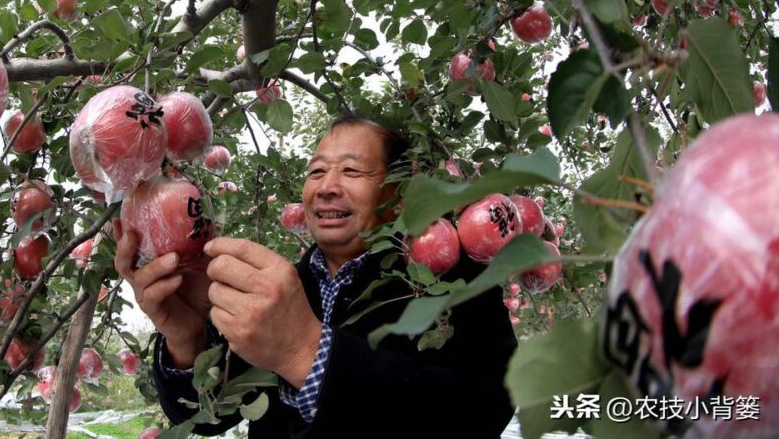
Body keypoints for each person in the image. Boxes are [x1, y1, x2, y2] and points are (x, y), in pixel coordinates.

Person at [113, 116, 517, 437]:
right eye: (316, 170)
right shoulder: (284, 287)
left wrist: (307, 354)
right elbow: (209, 417)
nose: (326, 186)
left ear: (397, 196)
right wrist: (187, 341)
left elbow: (482, 412)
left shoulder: (454, 278)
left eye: (351, 171)